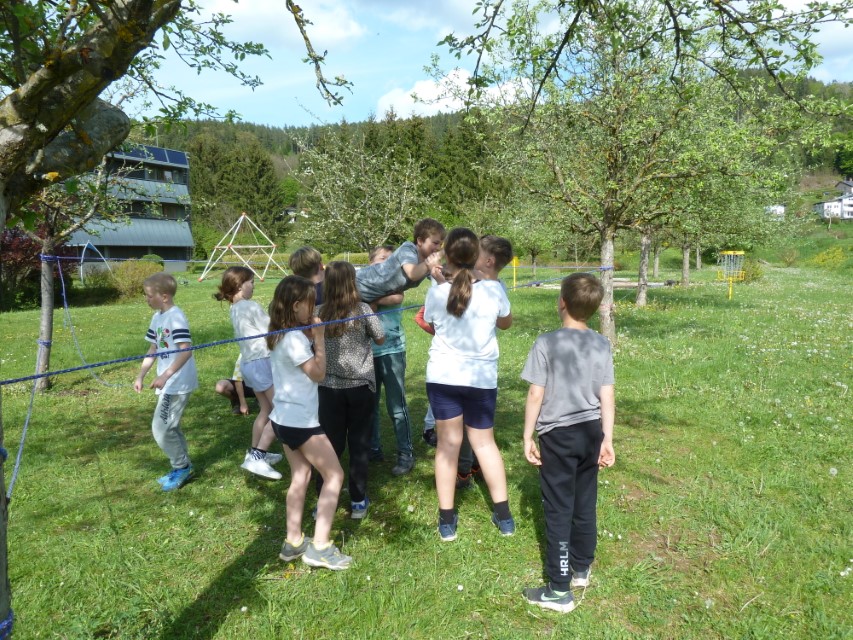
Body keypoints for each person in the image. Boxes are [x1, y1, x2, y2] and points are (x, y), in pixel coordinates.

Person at [520, 273, 615, 614]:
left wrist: (527, 435)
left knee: (559, 507)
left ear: (561, 302)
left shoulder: (546, 343)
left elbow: (536, 393)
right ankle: (581, 568)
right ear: (595, 307)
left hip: (558, 436)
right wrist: (607, 438)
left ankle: (559, 590)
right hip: (591, 432)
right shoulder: (601, 344)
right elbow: (607, 395)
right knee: (585, 500)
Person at [423, 228, 514, 541]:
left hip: (444, 377)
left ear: (447, 255)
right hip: (480, 379)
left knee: (448, 446)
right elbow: (506, 322)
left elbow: (432, 322)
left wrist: (440, 282)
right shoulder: (494, 289)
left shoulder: (437, 291)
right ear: (475, 255)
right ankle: (504, 516)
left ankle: (447, 520)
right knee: (485, 444)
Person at [267, 275, 352, 570]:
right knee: (334, 475)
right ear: (296, 306)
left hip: (282, 418)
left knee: (301, 475)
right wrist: (319, 338)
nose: (314, 309)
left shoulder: (279, 334)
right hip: (300, 422)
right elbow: (318, 374)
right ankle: (321, 547)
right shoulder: (293, 339)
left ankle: (293, 542)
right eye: (310, 304)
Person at [316, 261, 385, 519]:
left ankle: (324, 501)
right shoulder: (363, 310)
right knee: (359, 443)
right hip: (360, 388)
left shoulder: (318, 313)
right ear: (352, 283)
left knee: (329, 446)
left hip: (329, 389)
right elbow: (381, 338)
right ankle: (358, 501)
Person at [456, 235, 514, 490]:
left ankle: (465, 471)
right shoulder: (485, 285)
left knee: (470, 425)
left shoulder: (494, 288)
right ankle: (471, 466)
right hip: (472, 367)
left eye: (477, 252)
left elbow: (505, 322)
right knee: (475, 425)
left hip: (472, 368)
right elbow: (505, 321)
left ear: (489, 261)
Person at [215, 266, 283, 481]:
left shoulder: (234, 308)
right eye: (251, 282)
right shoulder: (250, 306)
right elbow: (271, 330)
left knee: (265, 409)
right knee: (281, 409)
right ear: (239, 285)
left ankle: (255, 452)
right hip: (261, 362)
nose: (254, 286)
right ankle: (257, 456)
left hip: (248, 364)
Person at [133, 272, 199, 492]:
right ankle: (184, 466)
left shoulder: (176, 317)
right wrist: (141, 375)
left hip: (177, 382)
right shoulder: (158, 317)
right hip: (169, 381)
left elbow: (186, 351)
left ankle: (181, 467)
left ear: (164, 296)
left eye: (149, 295)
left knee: (160, 428)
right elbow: (153, 348)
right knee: (171, 426)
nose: (146, 299)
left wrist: (165, 375)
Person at [367, 245, 415, 476]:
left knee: (397, 406)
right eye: (381, 258)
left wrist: (372, 299)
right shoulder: (364, 281)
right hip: (367, 354)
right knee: (371, 406)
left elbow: (397, 296)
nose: (386, 263)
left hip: (393, 350)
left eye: (390, 259)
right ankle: (373, 448)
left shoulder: (395, 282)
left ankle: (405, 453)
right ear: (370, 263)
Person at [355, 218, 445, 303]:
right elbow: (413, 274)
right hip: (356, 284)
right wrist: (440, 254)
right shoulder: (408, 249)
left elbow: (444, 277)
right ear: (420, 241)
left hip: (367, 297)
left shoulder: (428, 261)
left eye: (440, 245)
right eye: (435, 243)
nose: (438, 248)